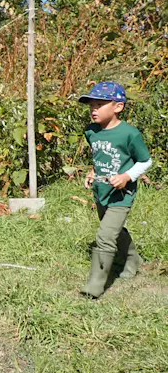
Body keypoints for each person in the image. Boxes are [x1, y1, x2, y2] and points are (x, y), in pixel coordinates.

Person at [79, 82, 152, 298]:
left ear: (118, 107)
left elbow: (145, 161)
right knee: (114, 231)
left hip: (122, 194)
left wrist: (127, 176)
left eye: (100, 104)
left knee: (104, 236)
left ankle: (95, 286)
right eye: (92, 104)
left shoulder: (129, 134)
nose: (94, 109)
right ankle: (133, 260)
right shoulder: (91, 131)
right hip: (101, 192)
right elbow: (100, 157)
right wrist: (92, 172)